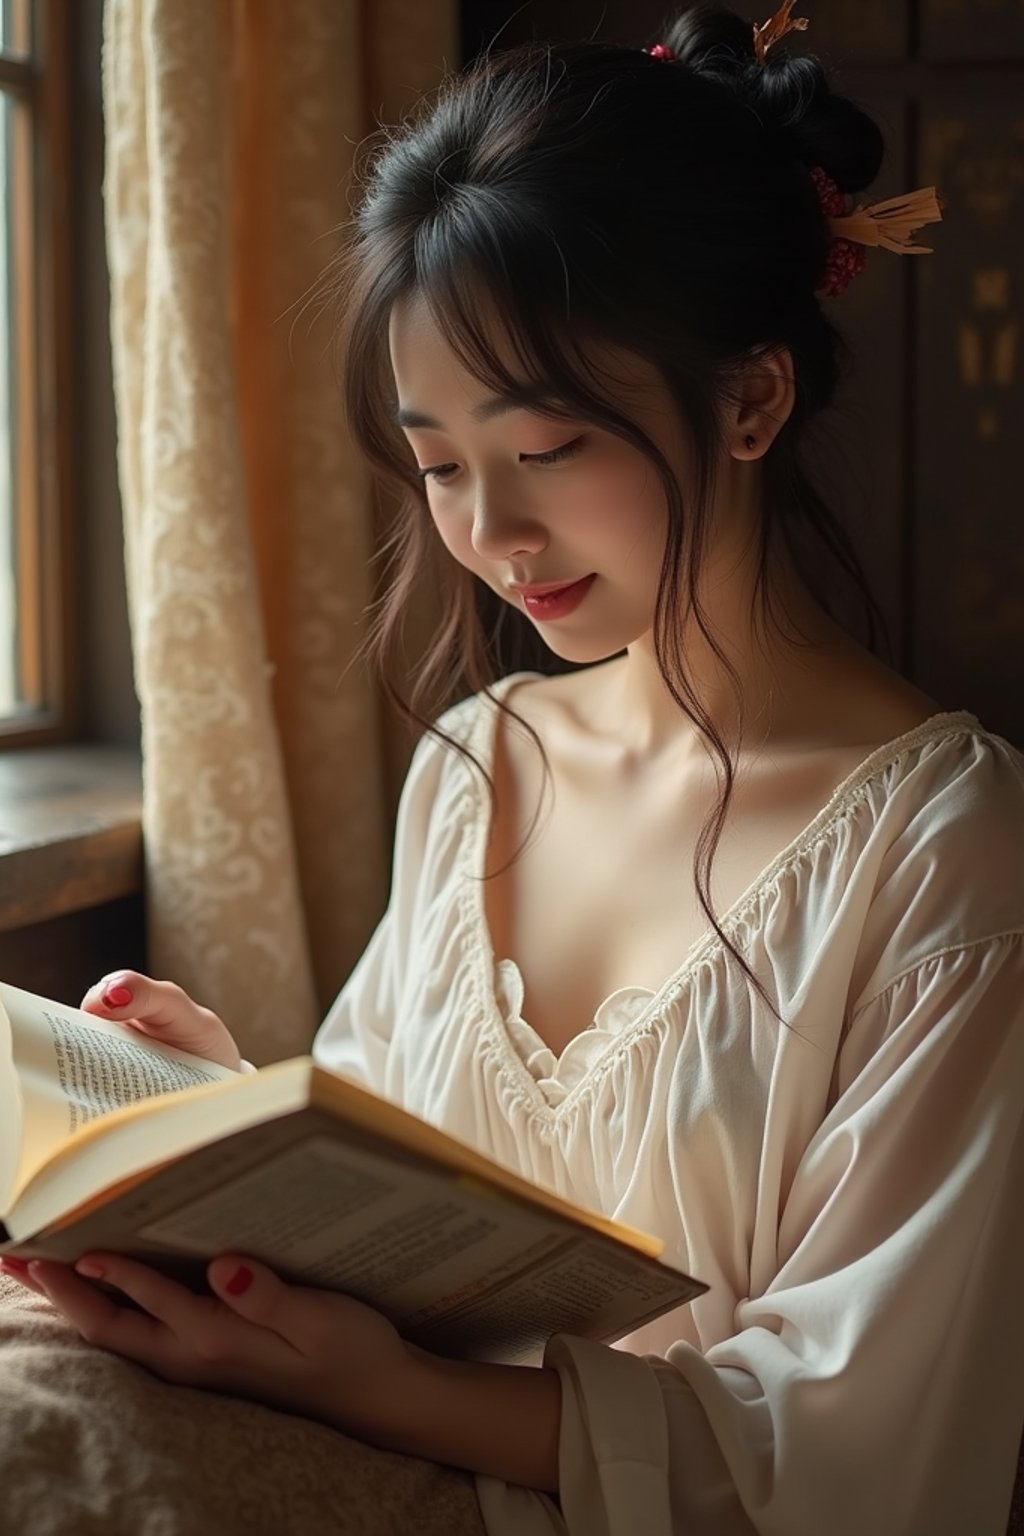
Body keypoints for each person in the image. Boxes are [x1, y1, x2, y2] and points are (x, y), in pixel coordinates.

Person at [3, 3, 1023, 1532]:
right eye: (438, 463)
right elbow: (402, 1202)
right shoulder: (484, 766)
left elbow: (859, 1442)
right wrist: (222, 1107)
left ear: (750, 398)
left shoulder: (944, 842)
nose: (489, 533)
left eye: (546, 449)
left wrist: (378, 1388)